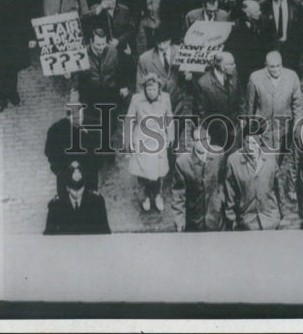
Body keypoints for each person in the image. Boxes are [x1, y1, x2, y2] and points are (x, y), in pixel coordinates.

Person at [125, 74, 174, 213]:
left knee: (159, 171)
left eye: (154, 89)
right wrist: (128, 141)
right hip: (141, 138)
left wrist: (171, 135)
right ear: (144, 88)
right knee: (142, 171)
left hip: (158, 138)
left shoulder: (165, 99)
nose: (151, 92)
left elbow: (169, 116)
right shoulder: (136, 100)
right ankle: (145, 196)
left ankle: (158, 195)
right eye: (148, 89)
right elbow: (129, 120)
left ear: (159, 88)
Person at [78, 27, 130, 154]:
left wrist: (124, 85)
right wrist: (68, 75)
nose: (101, 47)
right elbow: (77, 77)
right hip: (91, 97)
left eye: (103, 44)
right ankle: (96, 145)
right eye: (98, 44)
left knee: (110, 123)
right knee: (93, 123)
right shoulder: (82, 54)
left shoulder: (114, 51)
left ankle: (107, 145)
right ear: (91, 42)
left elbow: (122, 69)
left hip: (110, 95)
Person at [171, 123, 226, 232]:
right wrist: (179, 220)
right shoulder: (182, 162)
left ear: (209, 140)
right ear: (192, 142)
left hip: (215, 216)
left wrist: (220, 200)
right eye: (197, 140)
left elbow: (224, 181)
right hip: (194, 218)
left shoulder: (219, 155)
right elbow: (178, 193)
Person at [223, 130, 281, 231]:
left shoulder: (271, 158)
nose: (251, 147)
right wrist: (231, 219)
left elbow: (279, 189)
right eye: (248, 142)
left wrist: (280, 216)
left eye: (254, 143)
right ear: (243, 142)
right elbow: (229, 193)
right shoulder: (233, 161)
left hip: (270, 220)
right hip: (246, 221)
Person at [44, 103, 100, 195]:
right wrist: (67, 168)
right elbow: (50, 153)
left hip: (88, 176)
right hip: (65, 176)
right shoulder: (55, 130)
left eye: (81, 116)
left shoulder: (93, 127)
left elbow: (99, 154)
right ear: (68, 117)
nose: (79, 120)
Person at [44, 160, 111, 235]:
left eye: (79, 169)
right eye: (72, 170)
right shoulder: (56, 205)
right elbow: (48, 237)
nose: (76, 172)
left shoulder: (96, 202)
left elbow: (105, 234)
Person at [195, 51, 243, 152]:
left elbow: (241, 99)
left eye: (233, 63)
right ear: (220, 66)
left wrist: (240, 121)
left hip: (235, 128)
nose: (234, 66)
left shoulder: (234, 74)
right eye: (230, 64)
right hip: (215, 131)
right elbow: (201, 113)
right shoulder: (204, 83)